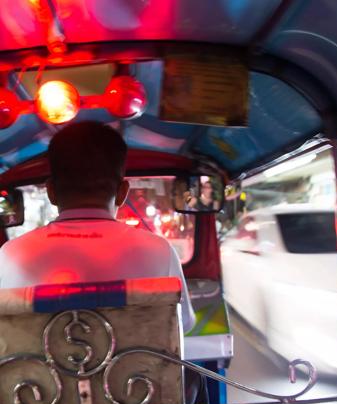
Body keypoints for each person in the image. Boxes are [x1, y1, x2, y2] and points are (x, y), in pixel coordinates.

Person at [0, 121, 194, 332]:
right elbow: (183, 323)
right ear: (122, 192)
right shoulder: (160, 252)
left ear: (51, 192)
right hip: (133, 366)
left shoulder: (10, 255)